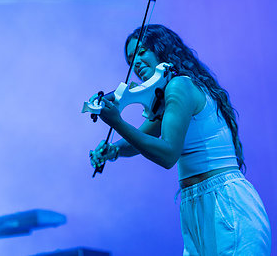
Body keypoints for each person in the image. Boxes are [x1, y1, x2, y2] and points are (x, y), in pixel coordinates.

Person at [89, 24, 271, 255]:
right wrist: (113, 150)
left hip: (225, 205)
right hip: (196, 206)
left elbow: (167, 154)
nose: (135, 62)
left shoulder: (179, 86)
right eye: (130, 59)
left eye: (142, 51)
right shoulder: (168, 95)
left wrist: (117, 122)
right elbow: (142, 137)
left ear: (161, 49)